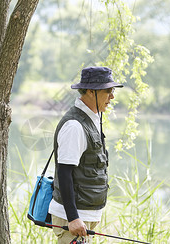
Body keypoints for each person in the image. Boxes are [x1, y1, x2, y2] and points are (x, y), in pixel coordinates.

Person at [49, 66, 123, 244]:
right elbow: (64, 173)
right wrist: (73, 218)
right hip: (73, 219)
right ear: (91, 91)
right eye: (108, 90)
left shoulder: (92, 119)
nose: (112, 96)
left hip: (84, 216)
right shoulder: (75, 126)